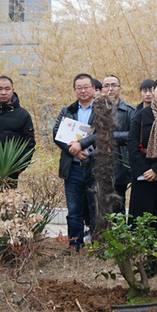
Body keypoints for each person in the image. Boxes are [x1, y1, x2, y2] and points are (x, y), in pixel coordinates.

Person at [128, 76, 157, 277]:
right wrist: (145, 170)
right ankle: (147, 261)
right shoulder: (141, 115)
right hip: (143, 176)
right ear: (153, 90)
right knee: (143, 220)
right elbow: (132, 145)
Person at [54, 73, 98, 255]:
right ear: (74, 90)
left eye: (86, 87)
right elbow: (57, 134)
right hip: (72, 168)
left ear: (93, 88)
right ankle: (74, 244)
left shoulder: (101, 110)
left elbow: (103, 133)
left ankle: (97, 245)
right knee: (74, 209)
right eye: (79, 88)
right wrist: (74, 150)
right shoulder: (67, 110)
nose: (83, 90)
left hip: (96, 167)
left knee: (96, 208)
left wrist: (81, 144)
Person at [102, 75, 137, 214]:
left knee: (118, 205)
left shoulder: (129, 111)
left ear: (120, 89)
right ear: (101, 89)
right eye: (106, 85)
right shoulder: (95, 110)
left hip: (120, 163)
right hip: (99, 163)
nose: (110, 89)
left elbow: (133, 135)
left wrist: (109, 137)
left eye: (114, 85)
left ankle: (119, 228)